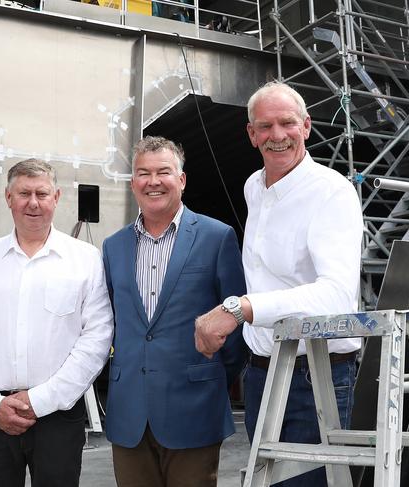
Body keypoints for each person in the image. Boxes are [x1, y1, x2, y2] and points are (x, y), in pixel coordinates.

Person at [195, 81, 363, 487]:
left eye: (287, 123)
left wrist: (240, 309)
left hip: (317, 377)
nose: (277, 136)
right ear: (251, 134)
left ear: (306, 126)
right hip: (263, 377)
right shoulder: (255, 187)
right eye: (265, 126)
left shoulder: (331, 192)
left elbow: (338, 295)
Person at [0, 158, 114, 487]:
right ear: (8, 198)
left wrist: (40, 400)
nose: (33, 203)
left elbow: (96, 338)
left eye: (42, 193)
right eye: (24, 193)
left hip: (58, 418)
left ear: (57, 197)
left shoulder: (85, 260)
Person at [102, 136, 247, 487]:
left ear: (181, 180)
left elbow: (237, 324)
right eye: (143, 173)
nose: (153, 181)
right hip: (129, 413)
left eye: (163, 172)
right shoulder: (113, 246)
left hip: (193, 407)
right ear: (133, 182)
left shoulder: (217, 237)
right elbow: (112, 323)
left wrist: (208, 379)